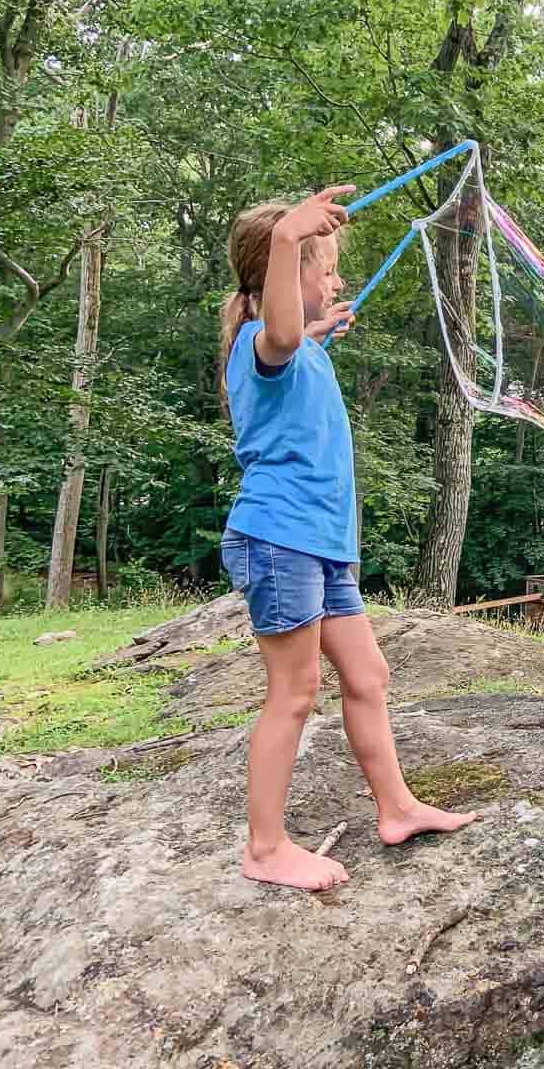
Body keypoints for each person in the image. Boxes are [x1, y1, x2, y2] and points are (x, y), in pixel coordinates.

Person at [218, 185, 475, 891]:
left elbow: (296, 340)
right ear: (280, 270)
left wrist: (321, 327)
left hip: (321, 547)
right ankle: (264, 848)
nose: (335, 278)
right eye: (320, 264)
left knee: (368, 676)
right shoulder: (262, 342)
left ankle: (396, 807)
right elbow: (280, 335)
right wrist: (285, 237)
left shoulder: (301, 350)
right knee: (294, 692)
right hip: (280, 539)